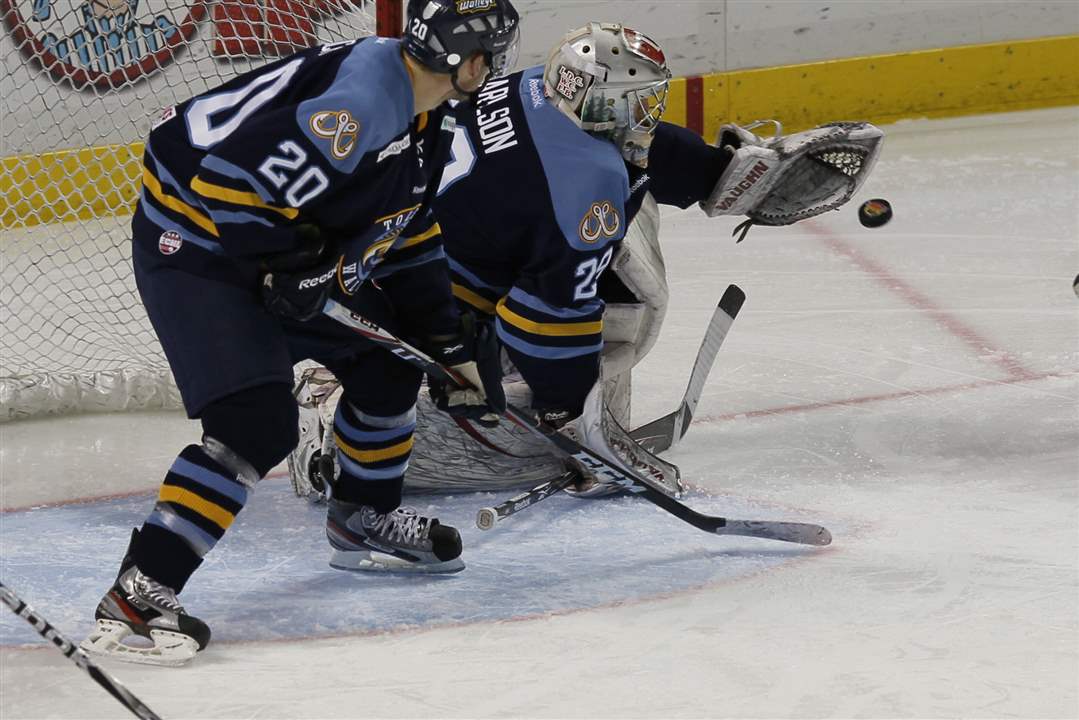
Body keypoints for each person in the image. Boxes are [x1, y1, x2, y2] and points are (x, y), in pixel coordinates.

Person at [80, 0, 521, 666]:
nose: (495, 68)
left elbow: (406, 227)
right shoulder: (366, 104)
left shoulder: (423, 106)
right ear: (468, 59)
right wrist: (289, 264)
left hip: (271, 237)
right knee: (254, 426)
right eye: (492, 54)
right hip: (197, 244)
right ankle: (140, 590)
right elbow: (227, 183)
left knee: (389, 365)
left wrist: (445, 342)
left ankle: (362, 517)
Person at [288, 22, 883, 501]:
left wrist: (715, 173)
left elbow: (641, 148)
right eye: (639, 102)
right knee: (519, 449)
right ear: (599, 102)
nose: (648, 113)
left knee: (599, 246)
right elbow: (546, 321)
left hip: (406, 248)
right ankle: (334, 418)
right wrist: (569, 416)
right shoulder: (581, 185)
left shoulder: (535, 88)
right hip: (411, 297)